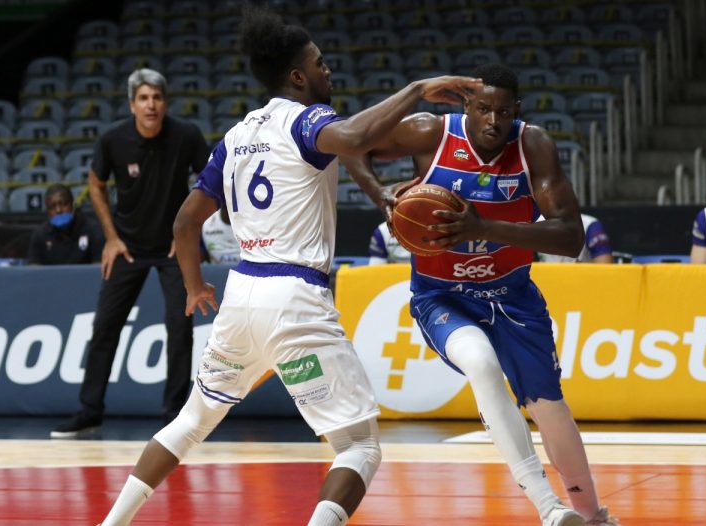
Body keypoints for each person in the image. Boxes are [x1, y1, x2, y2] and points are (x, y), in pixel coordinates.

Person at [95, 6, 481, 526]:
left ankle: (111, 523)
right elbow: (354, 138)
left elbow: (184, 223)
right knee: (359, 447)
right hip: (295, 302)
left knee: (190, 424)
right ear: (298, 76)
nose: (328, 70)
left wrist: (194, 287)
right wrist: (416, 89)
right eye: (319, 63)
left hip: (241, 300)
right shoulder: (306, 120)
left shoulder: (235, 136)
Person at [344, 64, 617, 525]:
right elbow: (351, 143)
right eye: (484, 109)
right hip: (443, 297)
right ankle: (548, 508)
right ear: (466, 104)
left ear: (517, 111)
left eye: (504, 112)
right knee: (481, 364)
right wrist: (381, 196)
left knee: (549, 409)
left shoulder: (533, 146)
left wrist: (482, 227)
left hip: (512, 296)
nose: (493, 121)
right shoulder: (431, 133)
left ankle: (592, 515)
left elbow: (571, 238)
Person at [51, 68, 210, 438]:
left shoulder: (186, 135)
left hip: (173, 247)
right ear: (132, 104)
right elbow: (95, 183)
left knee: (179, 329)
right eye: (143, 98)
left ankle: (175, 416)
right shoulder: (113, 139)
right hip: (128, 247)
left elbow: (211, 182)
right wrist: (110, 237)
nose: (150, 104)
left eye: (156, 97)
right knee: (104, 327)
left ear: (165, 103)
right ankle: (89, 412)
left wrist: (189, 233)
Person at [27, 184, 104, 265]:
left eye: (63, 204)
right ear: (47, 211)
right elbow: (34, 268)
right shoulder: (40, 235)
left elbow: (98, 268)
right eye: (52, 207)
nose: (58, 210)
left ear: (73, 205)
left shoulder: (94, 230)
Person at [538, 213, 613, 263]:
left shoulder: (590, 225)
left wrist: (579, 269)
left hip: (581, 279)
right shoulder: (537, 223)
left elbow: (605, 267)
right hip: (546, 279)